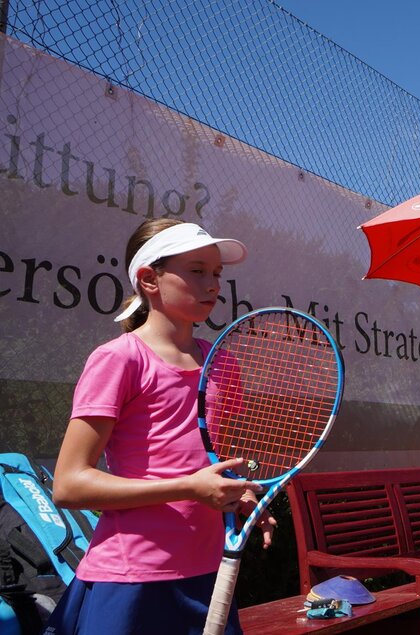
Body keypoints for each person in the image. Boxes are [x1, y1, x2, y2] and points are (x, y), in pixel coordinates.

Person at [46, 218, 276, 635]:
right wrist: (188, 488)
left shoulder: (222, 361)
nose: (213, 285)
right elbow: (69, 484)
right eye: (197, 271)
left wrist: (238, 495)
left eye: (217, 274)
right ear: (149, 279)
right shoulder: (119, 359)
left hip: (212, 577)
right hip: (132, 583)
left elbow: (209, 463)